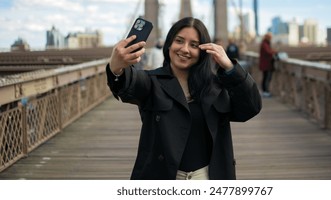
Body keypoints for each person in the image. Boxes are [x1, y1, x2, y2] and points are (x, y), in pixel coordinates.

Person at [106, 17, 262, 180]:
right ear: (169, 44)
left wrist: (230, 67)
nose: (185, 49)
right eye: (179, 41)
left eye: (194, 45)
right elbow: (126, 84)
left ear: (203, 50)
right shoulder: (151, 82)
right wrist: (116, 68)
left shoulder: (216, 86)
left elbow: (251, 107)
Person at [258, 32, 277, 97]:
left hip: (266, 64)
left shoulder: (265, 43)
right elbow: (268, 52)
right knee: (266, 78)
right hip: (266, 64)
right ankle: (265, 91)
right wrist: (275, 51)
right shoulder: (265, 44)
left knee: (266, 78)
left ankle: (265, 91)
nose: (271, 39)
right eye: (270, 37)